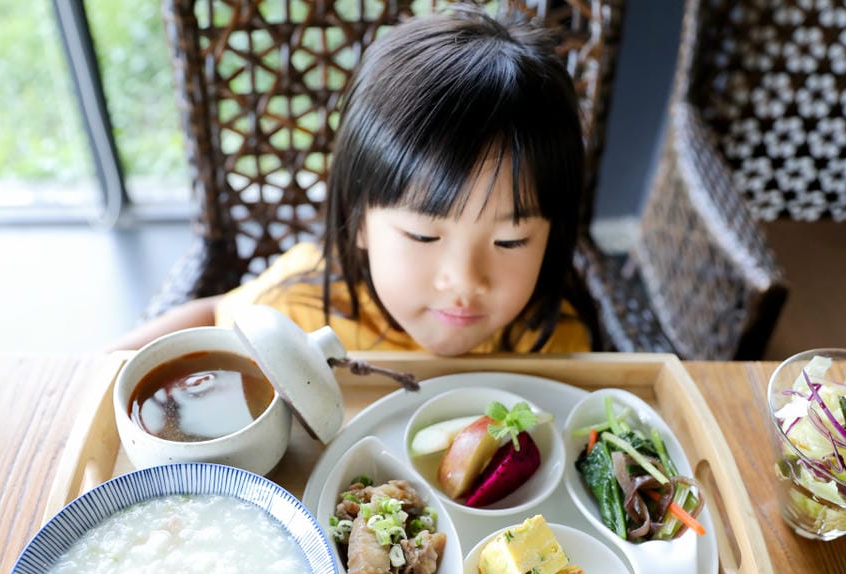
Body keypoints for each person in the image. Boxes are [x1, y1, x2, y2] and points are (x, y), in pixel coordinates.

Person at [111, 7, 596, 356]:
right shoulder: (298, 305)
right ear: (357, 217)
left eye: (511, 241)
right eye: (424, 234)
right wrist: (104, 367)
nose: (465, 281)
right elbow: (214, 316)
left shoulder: (553, 340)